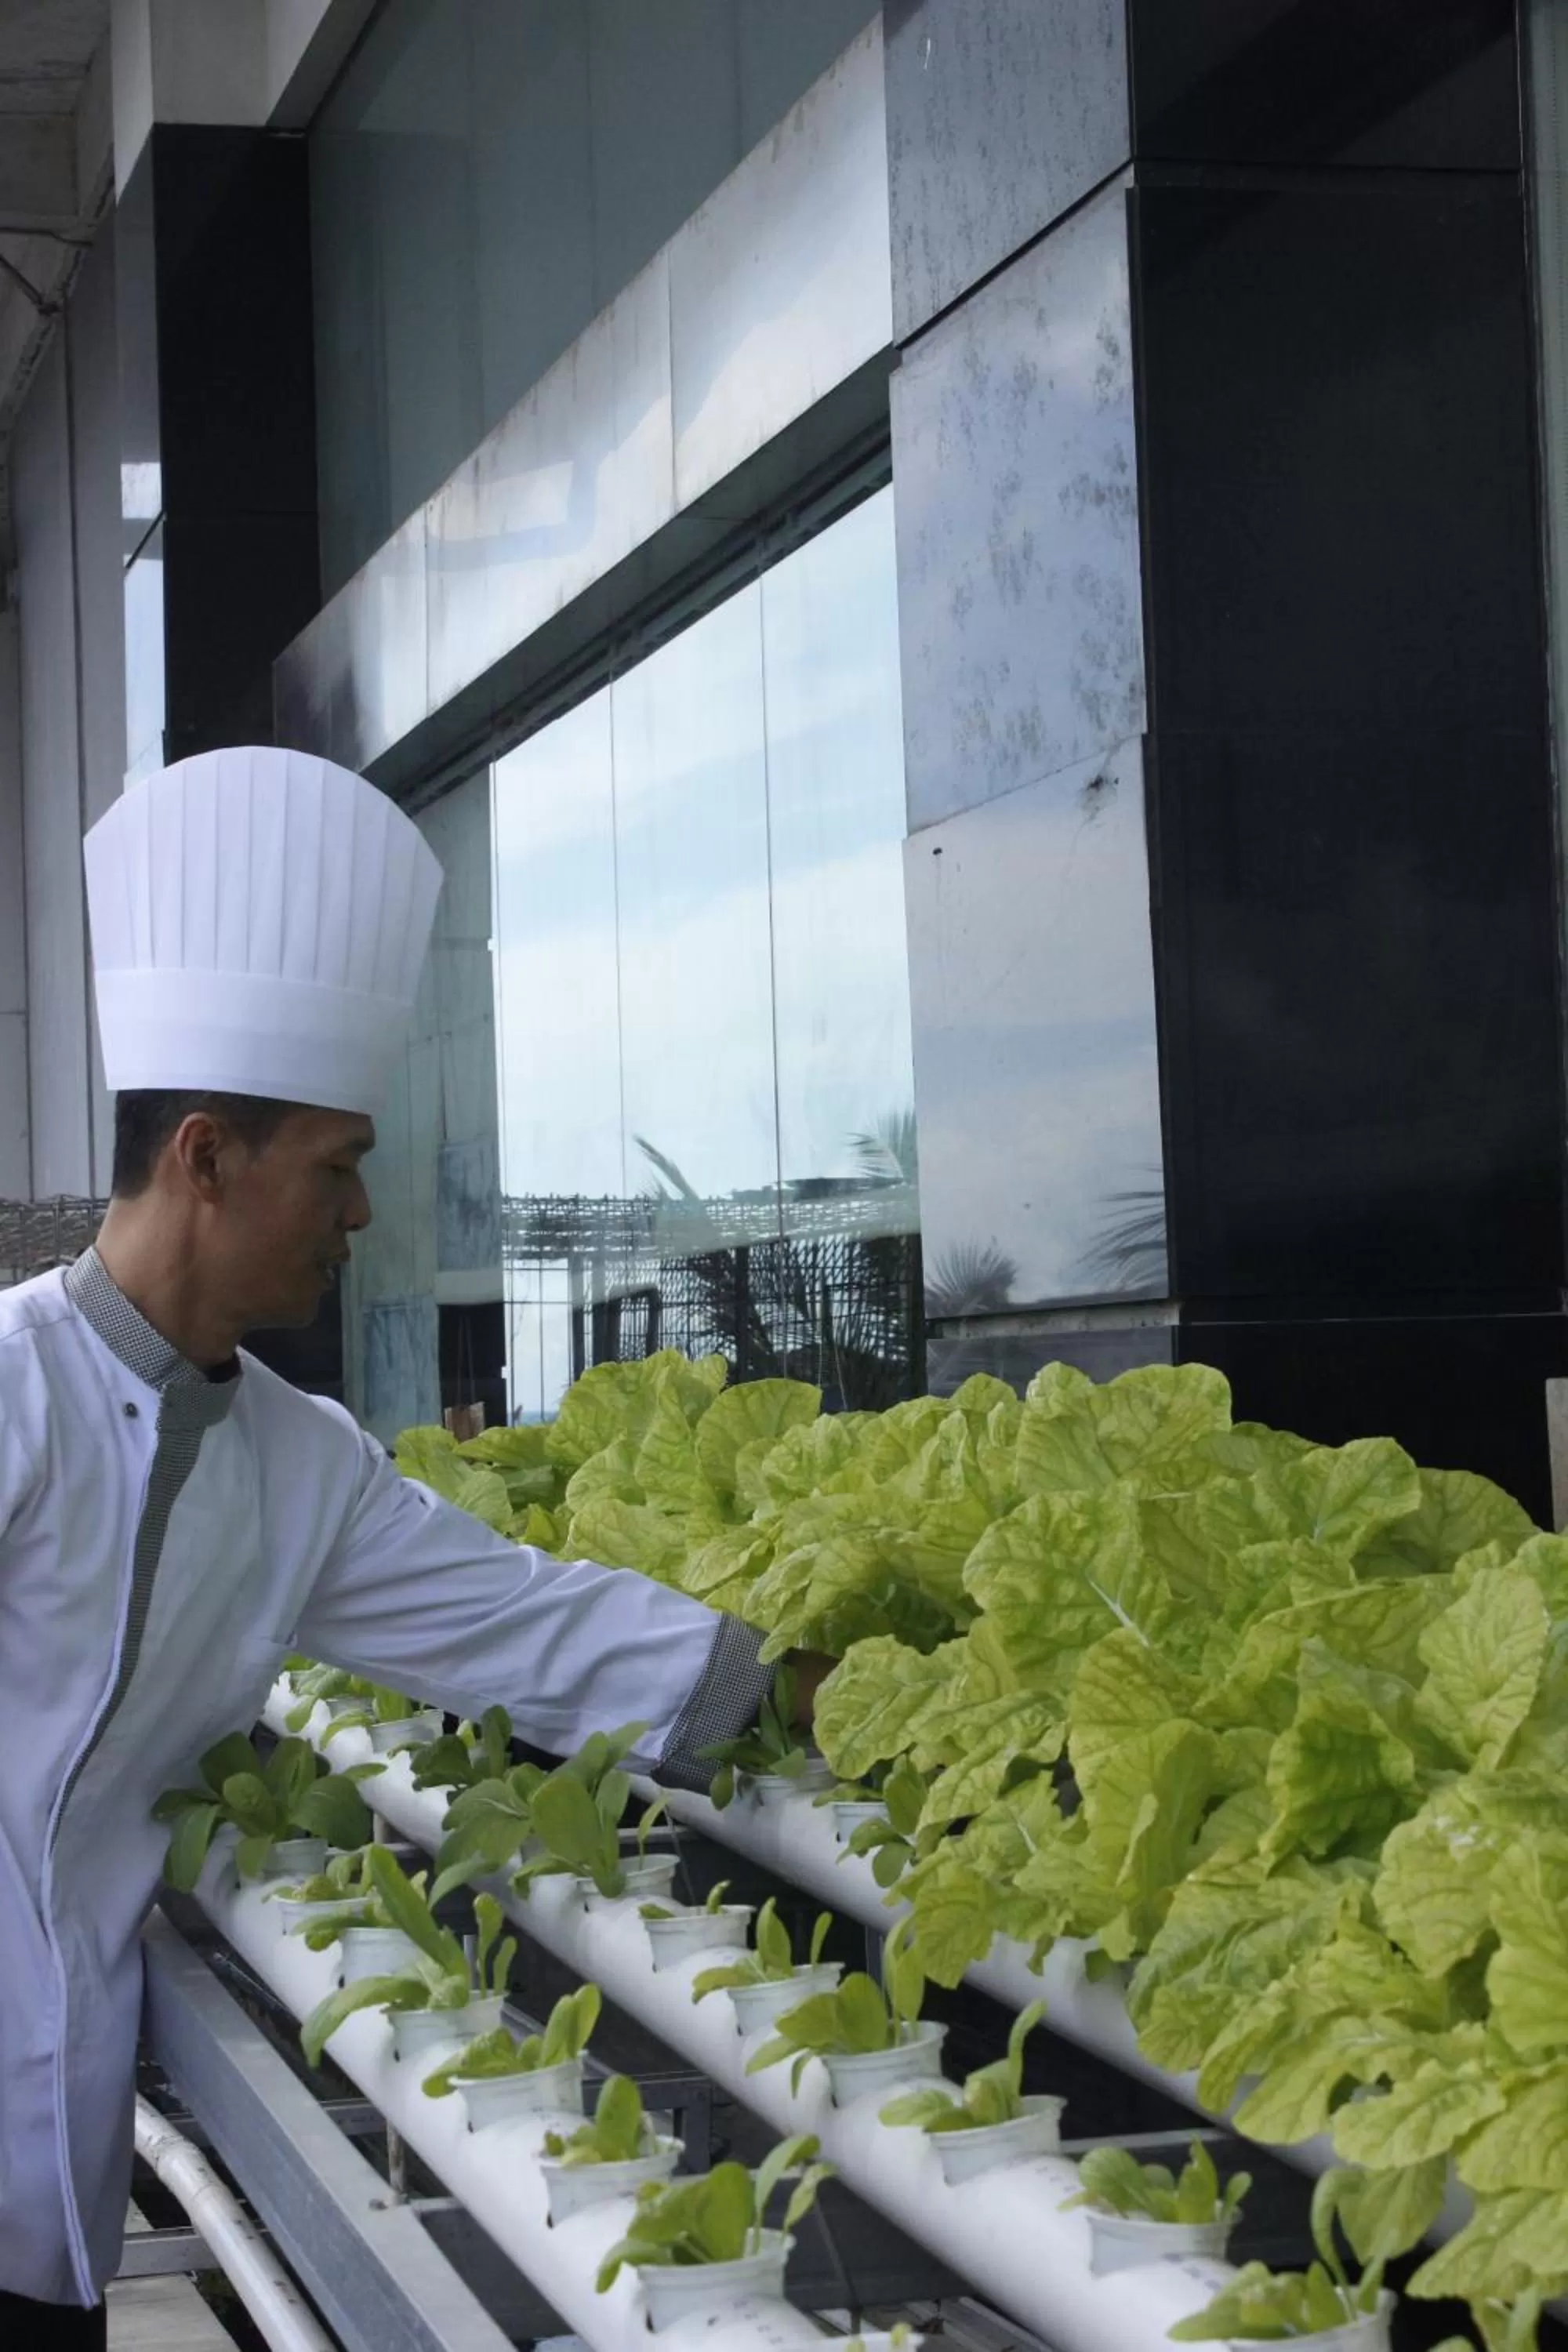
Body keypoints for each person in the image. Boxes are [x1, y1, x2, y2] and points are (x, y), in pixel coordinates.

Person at [0, 748, 820, 2347]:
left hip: (52, 2162)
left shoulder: (304, 1466)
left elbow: (538, 1629)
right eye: (338, 1164)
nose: (361, 1212)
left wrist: (807, 1692)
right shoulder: (10, 1390)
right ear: (206, 1160)